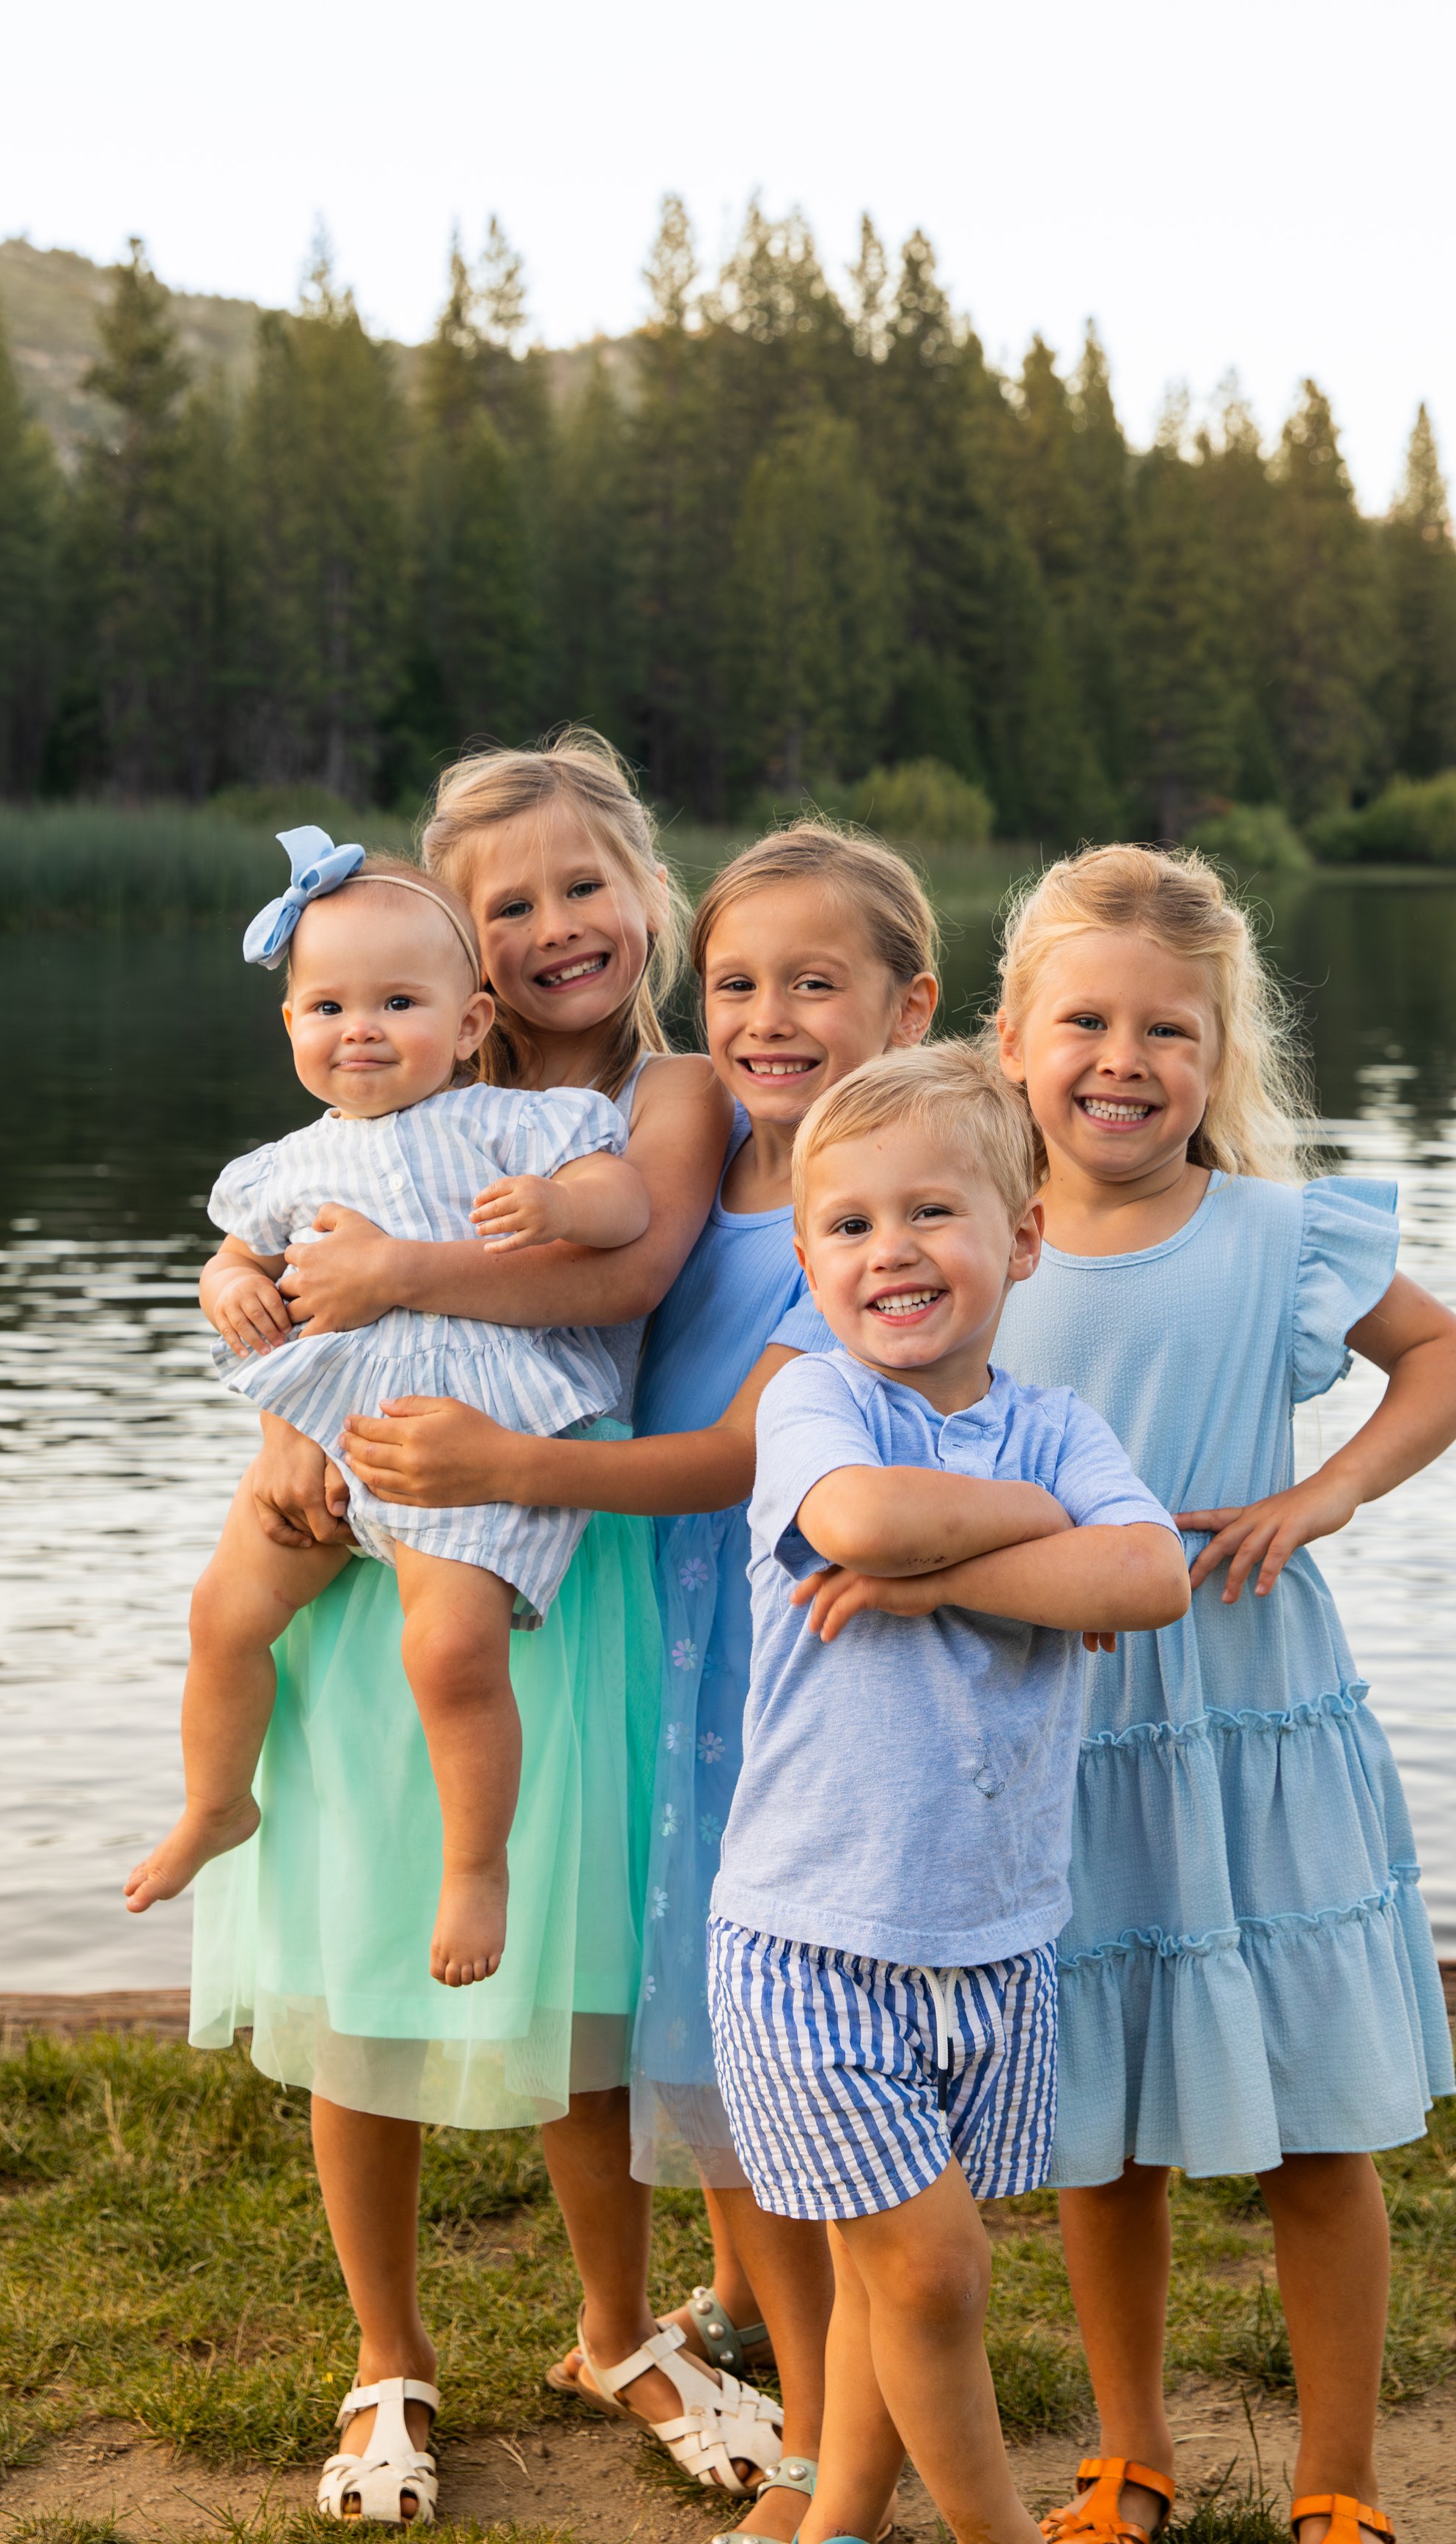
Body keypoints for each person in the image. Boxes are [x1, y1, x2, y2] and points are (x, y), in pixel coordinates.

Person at [183, 734, 779, 2525]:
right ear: (456, 938)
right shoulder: (391, 1063)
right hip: (364, 1535)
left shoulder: (657, 1100)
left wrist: (401, 1278)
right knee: (352, 1950)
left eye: (582, 888)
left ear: (647, 900)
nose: (551, 929)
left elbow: (626, 1276)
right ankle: (386, 2355)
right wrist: (284, 1409)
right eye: (507, 904)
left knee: (562, 1972)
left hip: (546, 1564)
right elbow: (295, 1280)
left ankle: (618, 2328)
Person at [345, 820, 940, 2543]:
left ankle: (829, 2448)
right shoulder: (685, 1150)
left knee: (777, 2054)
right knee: (719, 2035)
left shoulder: (830, 1185)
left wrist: (501, 1469)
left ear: (903, 1007)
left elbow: (729, 1429)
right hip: (640, 1636)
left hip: (746, 1641)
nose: (763, 1016)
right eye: (739, 985)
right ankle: (768, 2348)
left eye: (809, 985)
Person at [989, 844, 1456, 2544]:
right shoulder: (969, 1240)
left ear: (1220, 1057)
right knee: (1096, 2130)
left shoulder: (1271, 1236)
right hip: (1064, 1736)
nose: (1120, 1060)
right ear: (1009, 1037)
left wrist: (1321, 1492)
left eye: (1166, 1031)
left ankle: (1335, 2483)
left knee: (1314, 2126)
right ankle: (1125, 2454)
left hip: (1250, 1717)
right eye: (1084, 1020)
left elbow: (1446, 1361)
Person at [705, 1043, 1190, 2544]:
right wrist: (1032, 1548)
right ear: (804, 1257)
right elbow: (857, 1517)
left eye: (931, 1212)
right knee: (929, 2271)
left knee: (882, 2272)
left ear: (1021, 1238)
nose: (889, 1251)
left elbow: (1149, 1573)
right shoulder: (814, 1409)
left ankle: (834, 2524)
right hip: (810, 1932)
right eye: (846, 1225)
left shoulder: (1059, 1429)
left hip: (992, 1938)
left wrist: (945, 1571)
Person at [125, 839, 647, 1990]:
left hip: (455, 1440)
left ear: (468, 1025)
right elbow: (230, 1258)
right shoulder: (286, 1163)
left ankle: (476, 1865)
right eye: (328, 1004)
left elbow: (624, 1202)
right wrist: (231, 1286)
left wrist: (563, 1200)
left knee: (450, 1648)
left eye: (396, 1002)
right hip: (322, 1437)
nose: (358, 1027)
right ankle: (218, 1802)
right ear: (292, 1026)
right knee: (222, 1612)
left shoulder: (518, 1122)